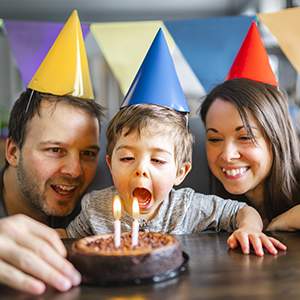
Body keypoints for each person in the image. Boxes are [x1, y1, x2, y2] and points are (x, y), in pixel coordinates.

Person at [65, 102, 286, 257]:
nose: (140, 170)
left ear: (180, 172)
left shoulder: (187, 206)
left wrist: (250, 229)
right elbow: (67, 238)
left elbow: (242, 211)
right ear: (111, 164)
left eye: (158, 160)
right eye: (127, 158)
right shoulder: (96, 207)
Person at [0, 88, 104, 294]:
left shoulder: (96, 213)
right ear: (13, 152)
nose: (75, 171)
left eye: (87, 153)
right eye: (55, 150)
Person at [199, 21, 300, 231]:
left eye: (244, 137)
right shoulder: (208, 209)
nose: (227, 155)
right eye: (215, 139)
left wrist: (285, 221)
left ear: (276, 138)